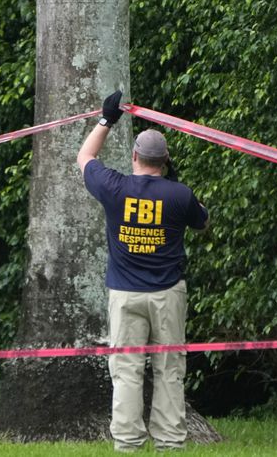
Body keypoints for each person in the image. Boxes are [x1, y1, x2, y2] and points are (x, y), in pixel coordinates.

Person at [78, 91, 209, 452]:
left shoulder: (114, 187)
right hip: (168, 294)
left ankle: (127, 441)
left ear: (134, 156)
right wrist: (183, 190)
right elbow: (203, 220)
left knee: (126, 371)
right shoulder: (180, 195)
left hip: (124, 293)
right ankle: (169, 440)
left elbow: (85, 156)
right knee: (169, 369)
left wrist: (106, 119)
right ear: (165, 160)